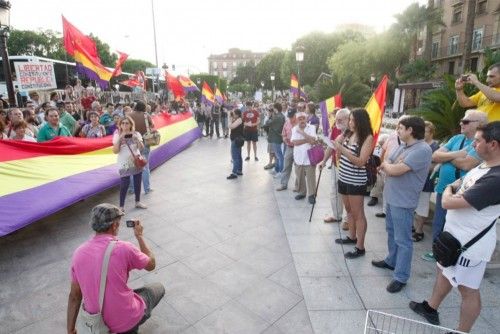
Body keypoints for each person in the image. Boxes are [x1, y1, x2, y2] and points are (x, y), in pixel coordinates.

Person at [410, 121, 500, 333]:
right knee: (444, 272)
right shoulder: (483, 165)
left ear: (493, 144)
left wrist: (449, 189)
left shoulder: (496, 178)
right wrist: (454, 188)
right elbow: (463, 183)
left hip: (470, 246)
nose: (473, 145)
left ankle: (462, 330)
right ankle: (431, 307)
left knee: (468, 290)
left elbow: (447, 201)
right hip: (454, 238)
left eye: (477, 141)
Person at [67, 203, 164, 334]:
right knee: (158, 288)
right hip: (125, 321)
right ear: (114, 225)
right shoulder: (125, 248)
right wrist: (139, 236)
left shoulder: (78, 253)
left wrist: (71, 329)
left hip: (96, 324)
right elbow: (151, 265)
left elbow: (74, 296)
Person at [371, 116, 432, 293]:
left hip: (404, 201)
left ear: (410, 130)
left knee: (403, 240)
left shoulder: (422, 150)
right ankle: (391, 261)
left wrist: (390, 166)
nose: (398, 131)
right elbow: (388, 161)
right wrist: (390, 165)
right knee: (391, 232)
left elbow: (396, 169)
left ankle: (401, 276)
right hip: (392, 197)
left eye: (401, 128)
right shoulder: (404, 146)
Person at [422, 109, 487, 262]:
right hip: (443, 188)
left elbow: (466, 165)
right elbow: (435, 155)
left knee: (455, 224)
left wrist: (447, 157)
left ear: (479, 124)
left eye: (465, 121)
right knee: (439, 221)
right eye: (461, 120)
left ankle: (453, 254)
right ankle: (437, 251)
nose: (461, 123)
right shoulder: (456, 138)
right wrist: (458, 154)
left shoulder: (480, 144)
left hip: (463, 192)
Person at [333, 109, 373, 259]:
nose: (350, 123)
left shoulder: (367, 138)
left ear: (360, 121)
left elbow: (360, 161)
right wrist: (338, 148)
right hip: (343, 177)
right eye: (349, 120)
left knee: (358, 214)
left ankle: (360, 247)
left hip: (356, 181)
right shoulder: (348, 134)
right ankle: (351, 237)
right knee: (348, 210)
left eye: (353, 120)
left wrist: (342, 149)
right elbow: (338, 148)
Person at [320, 108, 350, 223]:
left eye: (340, 120)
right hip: (335, 164)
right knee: (335, 190)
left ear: (348, 119)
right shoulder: (335, 128)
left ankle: (348, 219)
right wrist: (324, 161)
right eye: (336, 119)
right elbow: (330, 146)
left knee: (347, 193)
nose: (337, 122)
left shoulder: (353, 131)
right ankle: (336, 215)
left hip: (348, 167)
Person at [112, 116, 147, 211]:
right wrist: (120, 138)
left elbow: (142, 148)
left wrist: (136, 139)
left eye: (127, 123)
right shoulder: (116, 135)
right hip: (124, 163)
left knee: (137, 182)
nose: (125, 125)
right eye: (122, 123)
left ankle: (137, 202)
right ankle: (121, 206)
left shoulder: (136, 133)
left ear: (131, 124)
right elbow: (115, 151)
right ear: (120, 125)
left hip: (136, 161)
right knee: (124, 184)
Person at [412, 121, 439, 242]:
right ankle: (415, 227)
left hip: (426, 182)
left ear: (431, 133)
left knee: (422, 207)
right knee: (415, 206)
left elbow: (433, 166)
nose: (423, 133)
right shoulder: (419, 144)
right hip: (415, 181)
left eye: (426, 131)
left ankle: (419, 231)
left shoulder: (435, 147)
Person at [291, 111, 318, 204]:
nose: (302, 120)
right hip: (298, 157)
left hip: (310, 157)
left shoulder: (312, 127)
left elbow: (313, 141)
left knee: (311, 177)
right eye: (300, 119)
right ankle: (302, 193)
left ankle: (312, 195)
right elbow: (295, 142)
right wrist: (308, 139)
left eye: (303, 118)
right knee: (300, 176)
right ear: (297, 120)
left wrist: (302, 133)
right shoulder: (294, 129)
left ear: (306, 119)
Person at [128, 101, 155, 194]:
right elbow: (152, 126)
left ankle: (132, 189)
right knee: (145, 166)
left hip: (132, 143)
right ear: (144, 108)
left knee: (132, 166)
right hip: (145, 142)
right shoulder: (146, 115)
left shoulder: (129, 115)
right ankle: (147, 188)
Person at [276, 108, 297, 191]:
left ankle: (297, 186)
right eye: (289, 117)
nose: (290, 118)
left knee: (298, 168)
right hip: (288, 147)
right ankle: (283, 184)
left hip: (297, 148)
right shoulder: (287, 123)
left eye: (292, 116)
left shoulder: (299, 123)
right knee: (286, 166)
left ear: (295, 115)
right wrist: (284, 138)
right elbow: (283, 134)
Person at [265, 103, 286, 176]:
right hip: (275, 137)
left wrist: (269, 116)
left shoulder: (277, 117)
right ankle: (277, 169)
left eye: (273, 108)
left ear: (276, 108)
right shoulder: (279, 116)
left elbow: (268, 123)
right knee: (277, 155)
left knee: (279, 156)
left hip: (275, 138)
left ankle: (280, 171)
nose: (272, 109)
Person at [227, 109, 244, 179]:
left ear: (237, 114)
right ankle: (239, 170)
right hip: (237, 139)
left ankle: (234, 173)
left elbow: (231, 126)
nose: (232, 114)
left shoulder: (239, 120)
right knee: (238, 155)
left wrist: (229, 119)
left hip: (236, 140)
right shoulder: (238, 119)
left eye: (234, 113)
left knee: (235, 157)